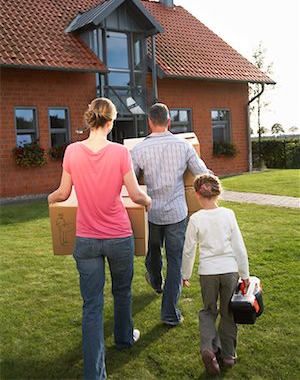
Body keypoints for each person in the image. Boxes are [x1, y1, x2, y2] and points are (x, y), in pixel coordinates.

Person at [48, 98, 152, 380]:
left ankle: (94, 375)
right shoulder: (119, 153)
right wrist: (148, 200)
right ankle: (124, 339)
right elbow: (134, 194)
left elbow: (62, 192)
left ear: (89, 120)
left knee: (91, 305)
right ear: (110, 122)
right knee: (122, 291)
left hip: (87, 240)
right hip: (119, 236)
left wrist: (50, 199)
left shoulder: (71, 151)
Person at [131, 103, 210, 326]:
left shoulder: (138, 150)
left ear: (149, 121)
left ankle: (156, 282)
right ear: (168, 122)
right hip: (177, 213)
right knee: (175, 261)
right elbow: (202, 174)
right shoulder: (183, 146)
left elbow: (131, 183)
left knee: (153, 252)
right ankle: (169, 314)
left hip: (151, 212)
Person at [181, 173, 249, 376]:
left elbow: (188, 249)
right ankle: (228, 356)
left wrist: (186, 274)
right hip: (229, 271)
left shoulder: (195, 219)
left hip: (207, 273)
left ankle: (208, 349)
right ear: (217, 193)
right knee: (229, 313)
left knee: (209, 311)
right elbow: (239, 246)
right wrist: (244, 273)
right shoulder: (228, 214)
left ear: (197, 194)